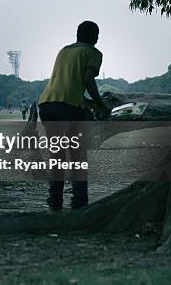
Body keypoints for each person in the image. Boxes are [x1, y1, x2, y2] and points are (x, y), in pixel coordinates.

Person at [38, 21, 110, 211]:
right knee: (78, 156)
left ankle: (55, 201)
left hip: (47, 104)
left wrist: (88, 103)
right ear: (95, 36)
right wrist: (101, 105)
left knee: (58, 155)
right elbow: (87, 80)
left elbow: (69, 87)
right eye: (96, 35)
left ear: (77, 34)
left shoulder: (64, 50)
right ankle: (79, 203)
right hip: (68, 108)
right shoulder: (93, 53)